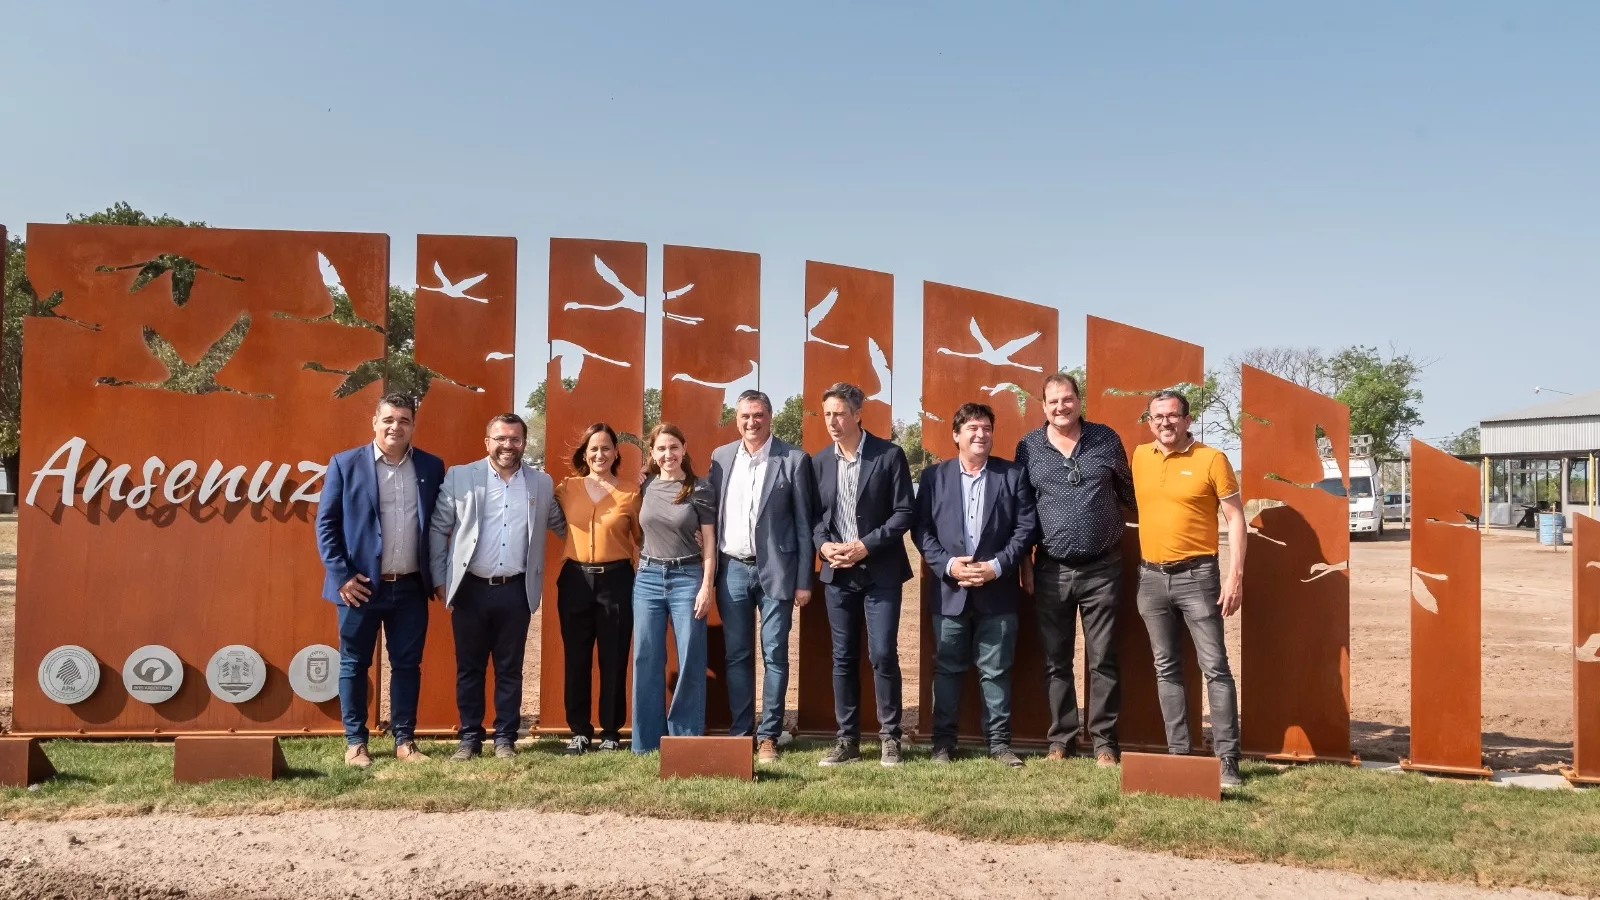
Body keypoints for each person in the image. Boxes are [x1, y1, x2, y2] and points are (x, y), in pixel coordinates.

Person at [315, 393, 445, 768]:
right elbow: (326, 525)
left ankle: (405, 741)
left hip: (410, 586)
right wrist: (342, 576)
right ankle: (356, 743)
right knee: (354, 664)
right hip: (359, 589)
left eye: (403, 420)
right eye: (388, 419)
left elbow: (438, 525)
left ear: (413, 426)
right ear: (375, 422)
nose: (395, 427)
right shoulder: (345, 464)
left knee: (407, 665)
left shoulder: (431, 466)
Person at [428, 413, 566, 761]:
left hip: (515, 590)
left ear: (524, 443)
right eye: (501, 438)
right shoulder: (460, 476)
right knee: (469, 668)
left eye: (515, 439)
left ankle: (505, 738)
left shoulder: (541, 483)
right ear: (487, 442)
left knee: (510, 669)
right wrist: (440, 578)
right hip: (470, 589)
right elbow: (438, 527)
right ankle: (469, 738)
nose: (508, 445)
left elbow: (565, 524)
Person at [1014, 373, 1135, 766]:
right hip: (1050, 568)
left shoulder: (1106, 439)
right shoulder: (1029, 447)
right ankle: (1061, 741)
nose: (1060, 407)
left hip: (1103, 568)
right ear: (1043, 406)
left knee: (1103, 659)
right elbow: (1022, 510)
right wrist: (1025, 562)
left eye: (1067, 399)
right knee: (1056, 661)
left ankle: (1104, 744)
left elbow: (1129, 493)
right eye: (1053, 401)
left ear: (1078, 400)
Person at [1131, 389, 1248, 789]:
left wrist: (1235, 576)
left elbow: (1235, 518)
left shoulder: (1212, 459)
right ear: (1150, 422)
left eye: (1172, 415)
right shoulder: (1140, 457)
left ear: (1187, 419)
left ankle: (1228, 761)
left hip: (1198, 577)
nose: (1165, 422)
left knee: (1215, 667)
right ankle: (1179, 756)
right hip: (1150, 578)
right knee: (1166, 668)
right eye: (1157, 416)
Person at [913, 403, 1037, 768]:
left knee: (996, 670)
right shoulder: (933, 477)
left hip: (998, 592)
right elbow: (921, 529)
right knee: (947, 669)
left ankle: (999, 745)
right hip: (949, 593)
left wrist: (996, 567)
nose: (980, 434)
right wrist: (949, 565)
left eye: (986, 428)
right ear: (956, 435)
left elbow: (1025, 528)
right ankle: (943, 744)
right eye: (972, 428)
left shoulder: (1012, 475)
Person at [810, 382, 915, 767]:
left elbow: (904, 512)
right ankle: (847, 740)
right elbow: (814, 517)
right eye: (827, 415)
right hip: (837, 575)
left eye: (839, 414)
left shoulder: (889, 455)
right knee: (842, 657)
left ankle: (890, 738)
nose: (832, 422)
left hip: (880, 572)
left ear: (857, 414)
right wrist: (824, 546)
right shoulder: (820, 461)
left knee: (883, 653)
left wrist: (866, 545)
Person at [708, 390, 816, 765]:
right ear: (736, 419)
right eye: (745, 416)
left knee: (775, 654)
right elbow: (706, 507)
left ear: (770, 417)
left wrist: (803, 580)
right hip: (732, 570)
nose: (751, 422)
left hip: (778, 572)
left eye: (758, 415)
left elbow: (804, 525)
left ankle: (768, 735)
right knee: (737, 655)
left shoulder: (794, 459)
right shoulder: (721, 458)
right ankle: (741, 733)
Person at [552, 423, 642, 755]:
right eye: (593, 448)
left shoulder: (631, 493)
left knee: (614, 658)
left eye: (606, 448)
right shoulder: (566, 488)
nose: (599, 454)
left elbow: (644, 538)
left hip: (617, 581)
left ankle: (611, 731)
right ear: (584, 453)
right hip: (575, 580)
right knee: (576, 658)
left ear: (616, 453)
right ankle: (579, 730)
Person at [631, 423, 719, 753]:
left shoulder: (700, 488)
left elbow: (709, 542)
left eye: (674, 447)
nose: (668, 454)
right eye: (661, 449)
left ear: (684, 448)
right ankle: (646, 742)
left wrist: (706, 586)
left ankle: (685, 738)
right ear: (652, 453)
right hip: (648, 578)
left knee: (691, 657)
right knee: (646, 657)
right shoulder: (646, 484)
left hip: (687, 577)